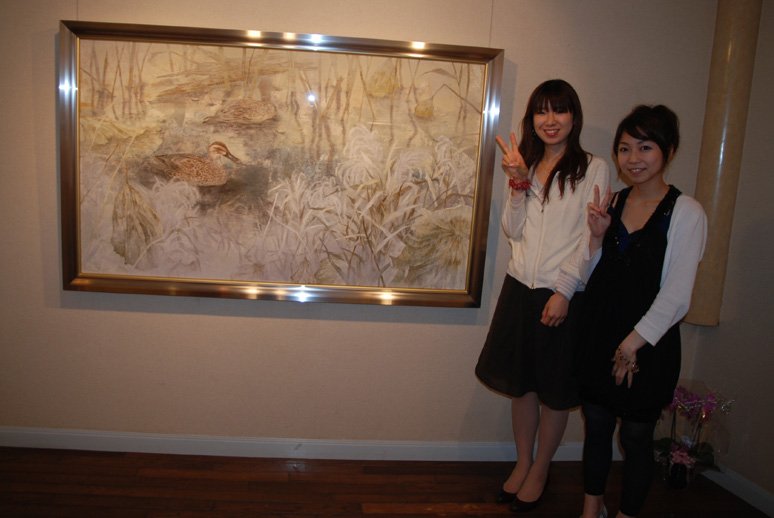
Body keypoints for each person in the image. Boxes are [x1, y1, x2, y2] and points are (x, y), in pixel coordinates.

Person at [475, 79, 610, 513]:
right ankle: (523, 462)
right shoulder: (525, 164)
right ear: (531, 119)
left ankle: (541, 468)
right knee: (522, 387)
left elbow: (590, 240)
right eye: (541, 111)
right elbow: (513, 231)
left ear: (574, 117)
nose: (550, 120)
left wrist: (564, 291)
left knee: (554, 391)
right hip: (520, 287)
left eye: (559, 110)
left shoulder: (593, 167)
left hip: (561, 292)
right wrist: (518, 183)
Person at [577, 105, 707, 518]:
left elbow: (678, 295)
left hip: (648, 344)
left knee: (635, 438)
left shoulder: (687, 212)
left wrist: (631, 345)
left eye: (645, 147)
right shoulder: (612, 202)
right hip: (600, 333)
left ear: (668, 151)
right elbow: (591, 276)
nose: (633, 158)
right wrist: (596, 239)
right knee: (597, 426)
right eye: (624, 148)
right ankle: (591, 508)